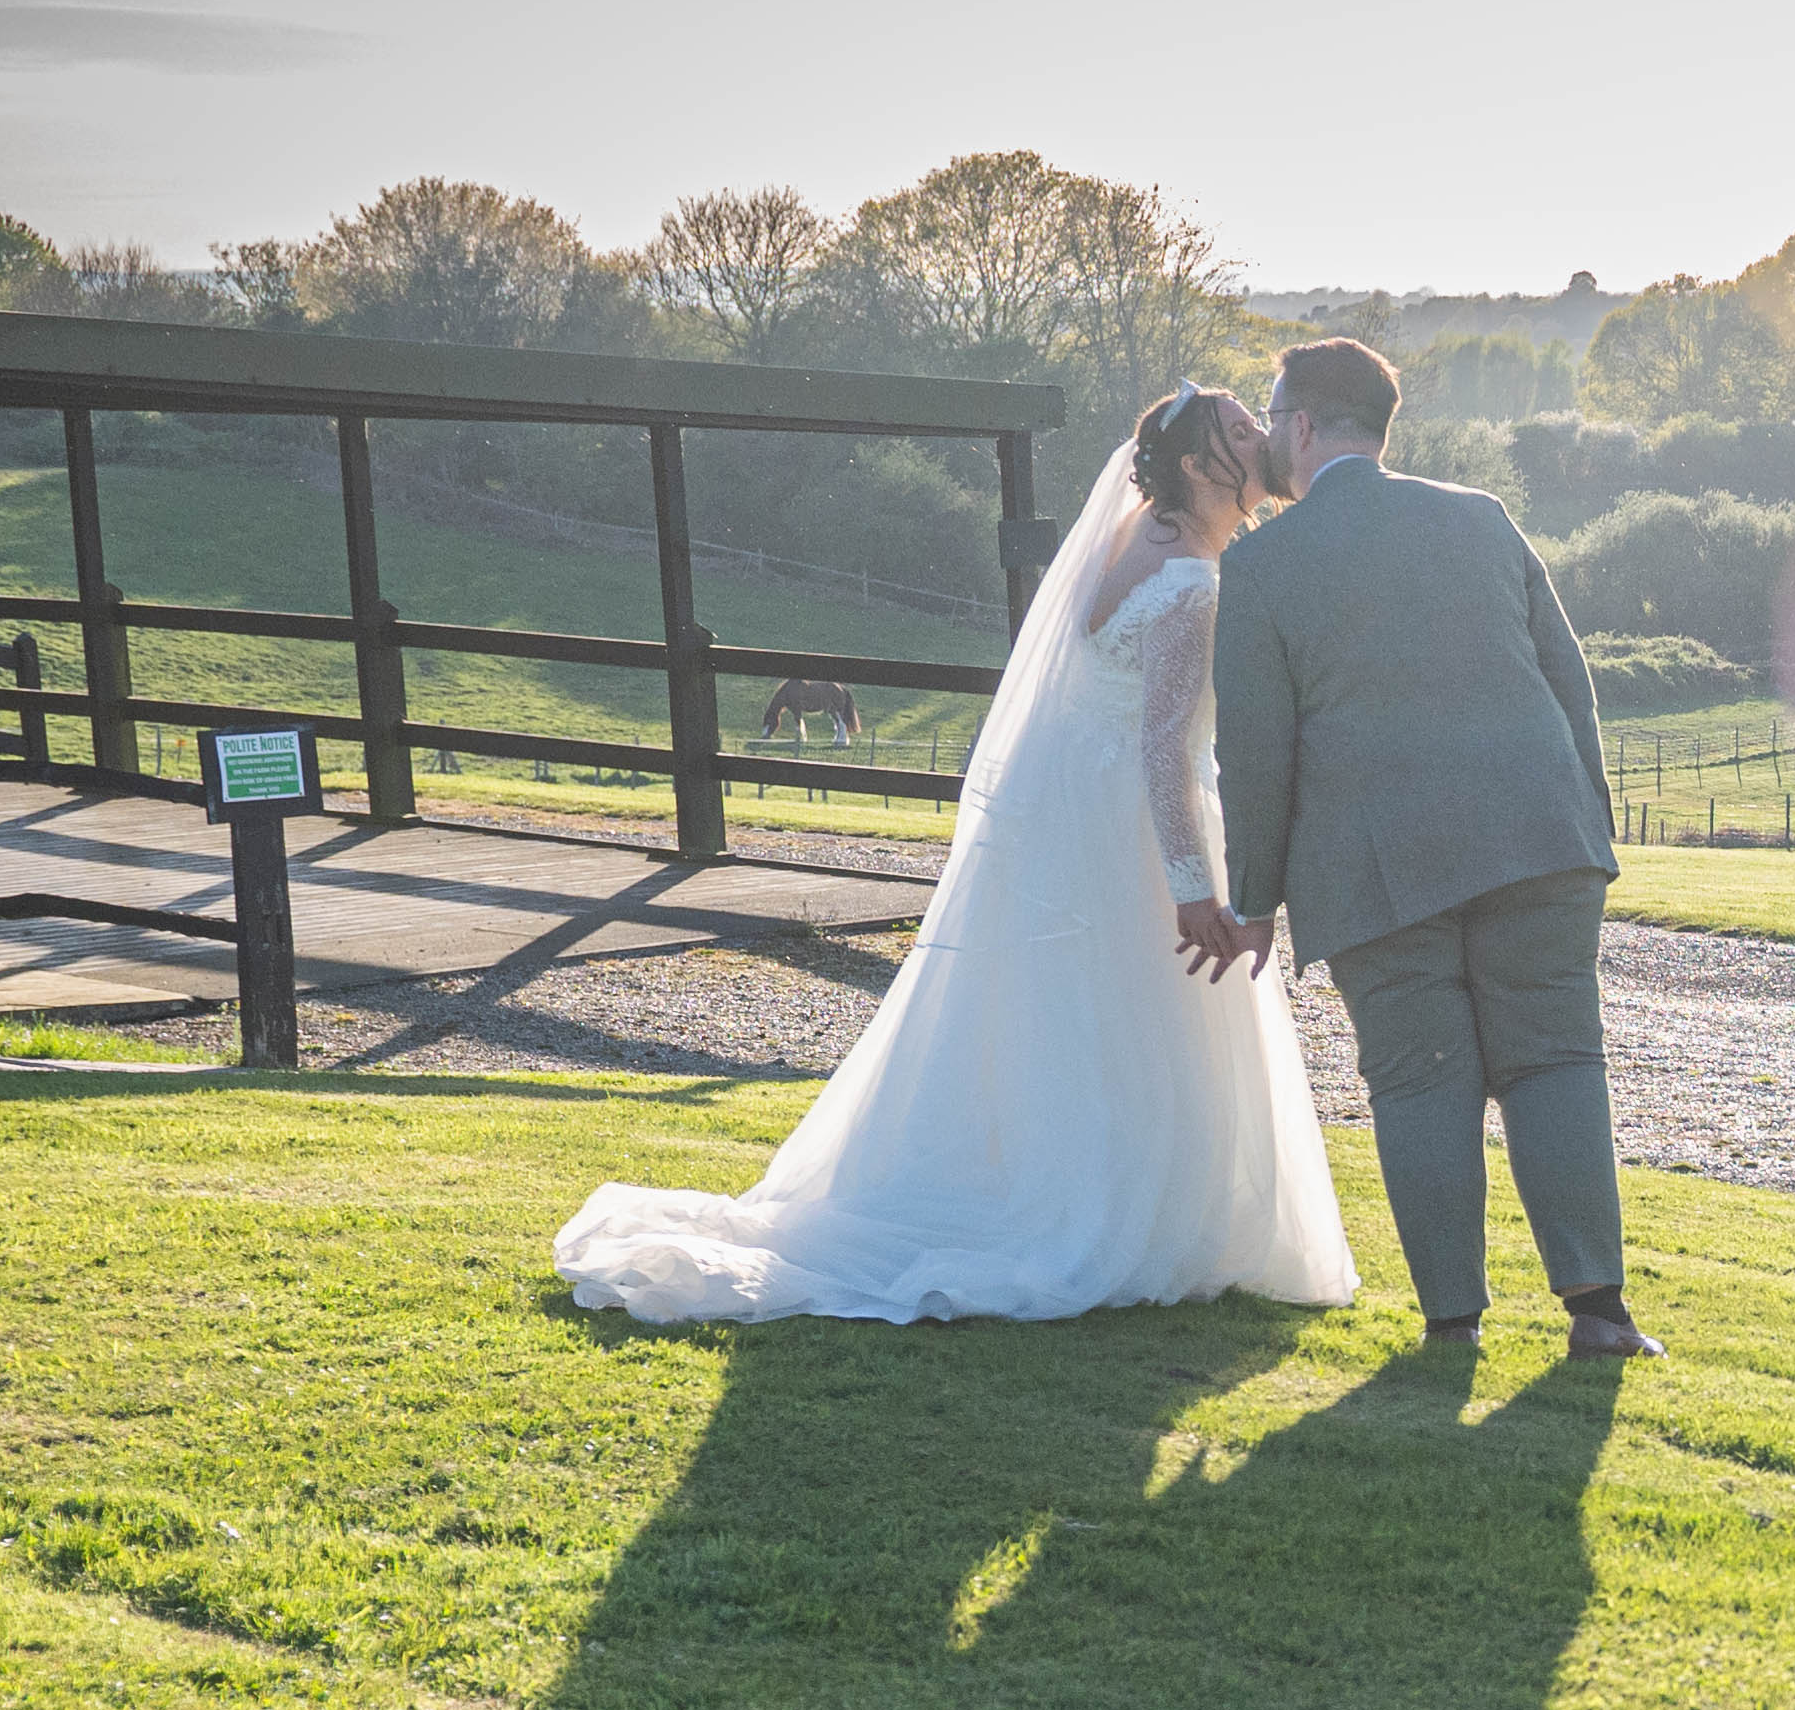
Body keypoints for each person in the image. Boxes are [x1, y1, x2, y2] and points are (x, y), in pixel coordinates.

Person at [550, 386, 1356, 1325]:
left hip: (1070, 814)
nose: (1261, 438)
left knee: (1056, 1013)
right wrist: (1192, 887)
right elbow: (1163, 748)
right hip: (1132, 829)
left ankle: (1046, 1179)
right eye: (1241, 430)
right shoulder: (1191, 585)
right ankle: (1121, 1213)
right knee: (1129, 1014)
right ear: (1194, 464)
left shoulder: (1131, 545)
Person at [1213, 334, 1655, 1358]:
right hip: (1540, 838)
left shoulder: (1263, 564)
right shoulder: (1482, 518)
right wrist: (1586, 821)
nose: (1270, 437)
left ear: (1305, 426)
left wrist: (1255, 899)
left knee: (1420, 1081)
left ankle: (1453, 1326)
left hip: (1376, 864)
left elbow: (1259, 752)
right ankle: (1599, 1313)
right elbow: (1567, 679)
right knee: (1557, 1061)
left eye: (1274, 417)